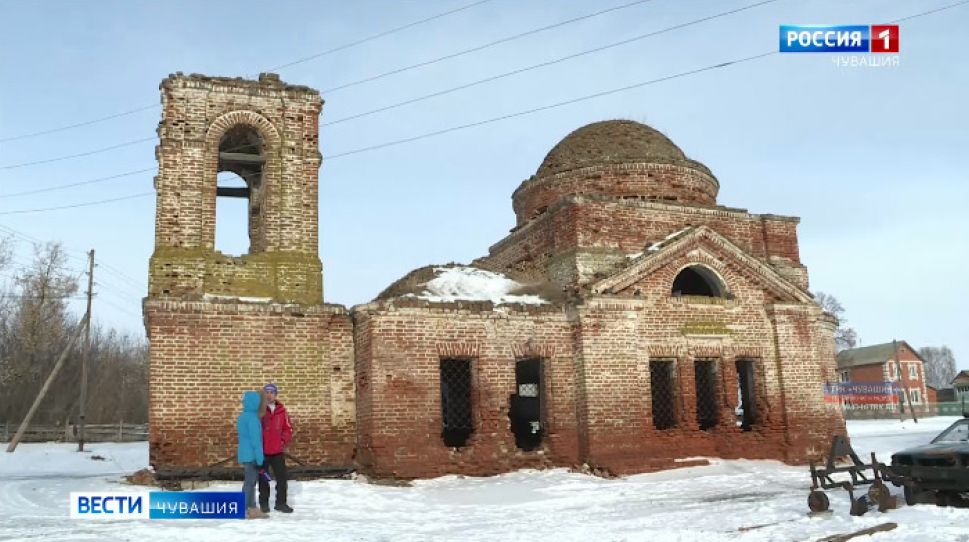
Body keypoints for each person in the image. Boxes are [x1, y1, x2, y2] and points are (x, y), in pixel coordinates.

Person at [259, 382, 294, 513]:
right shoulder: (260, 411)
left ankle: (281, 503)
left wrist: (283, 441)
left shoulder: (282, 411)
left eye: (271, 392)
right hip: (262, 452)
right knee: (264, 478)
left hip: (277, 451)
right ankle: (264, 503)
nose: (269, 395)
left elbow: (288, 428)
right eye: (266, 392)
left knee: (281, 478)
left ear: (275, 395)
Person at [237, 390, 267, 519]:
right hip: (252, 455)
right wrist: (260, 459)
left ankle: (251, 508)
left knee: (249, 482)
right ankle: (245, 509)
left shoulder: (242, 417)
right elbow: (256, 441)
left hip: (244, 453)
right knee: (250, 483)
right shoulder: (253, 419)